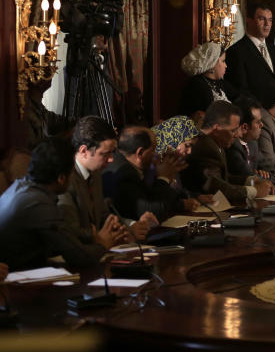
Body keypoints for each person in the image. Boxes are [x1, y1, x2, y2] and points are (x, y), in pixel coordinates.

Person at [0, 138, 125, 271]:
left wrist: (93, 238)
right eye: (72, 172)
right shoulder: (39, 203)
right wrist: (103, 245)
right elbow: (78, 256)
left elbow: (65, 236)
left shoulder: (21, 186)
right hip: (13, 281)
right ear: (61, 178)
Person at [58, 116, 153, 245]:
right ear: (84, 151)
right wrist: (111, 237)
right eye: (105, 154)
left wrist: (133, 225)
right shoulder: (64, 180)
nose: (111, 159)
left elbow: (104, 216)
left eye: (112, 153)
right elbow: (72, 233)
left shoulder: (96, 173)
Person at [181, 101, 273, 204]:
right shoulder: (205, 146)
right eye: (233, 130)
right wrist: (255, 191)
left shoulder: (215, 143)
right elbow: (217, 189)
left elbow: (224, 178)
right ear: (216, 129)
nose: (237, 135)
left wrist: (251, 180)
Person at [102, 126, 200, 222]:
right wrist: (163, 178)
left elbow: (153, 198)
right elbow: (153, 213)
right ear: (140, 153)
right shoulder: (125, 174)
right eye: (153, 149)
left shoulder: (127, 164)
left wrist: (180, 204)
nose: (156, 154)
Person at [224, 4, 275, 107]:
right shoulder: (236, 52)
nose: (267, 24)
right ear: (248, 20)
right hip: (258, 114)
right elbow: (240, 90)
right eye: (261, 19)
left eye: (270, 20)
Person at [179, 42, 239, 122]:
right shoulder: (198, 86)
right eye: (223, 61)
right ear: (212, 64)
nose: (226, 65)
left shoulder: (219, 82)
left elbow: (238, 97)